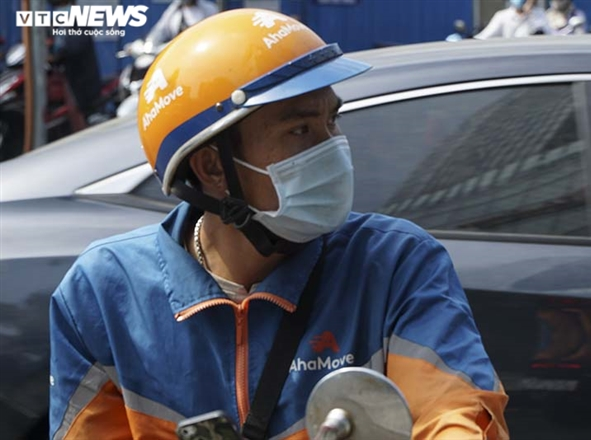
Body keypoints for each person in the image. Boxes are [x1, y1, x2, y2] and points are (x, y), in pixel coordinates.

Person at [49, 8, 509, 440]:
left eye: (331, 121)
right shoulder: (103, 294)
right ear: (212, 169)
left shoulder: (395, 266)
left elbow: (455, 414)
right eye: (300, 130)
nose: (333, 149)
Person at [48, 0, 102, 122]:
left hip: (83, 81)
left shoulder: (79, 20)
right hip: (68, 78)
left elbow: (76, 45)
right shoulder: (54, 22)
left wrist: (58, 55)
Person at [145, 0, 219, 46]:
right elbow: (160, 31)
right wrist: (150, 43)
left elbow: (215, 33)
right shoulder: (174, 10)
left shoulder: (210, 9)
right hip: (177, 54)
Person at [474, 0, 555, 39]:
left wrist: (530, 15)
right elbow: (484, 37)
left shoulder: (539, 14)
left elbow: (549, 35)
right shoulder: (502, 16)